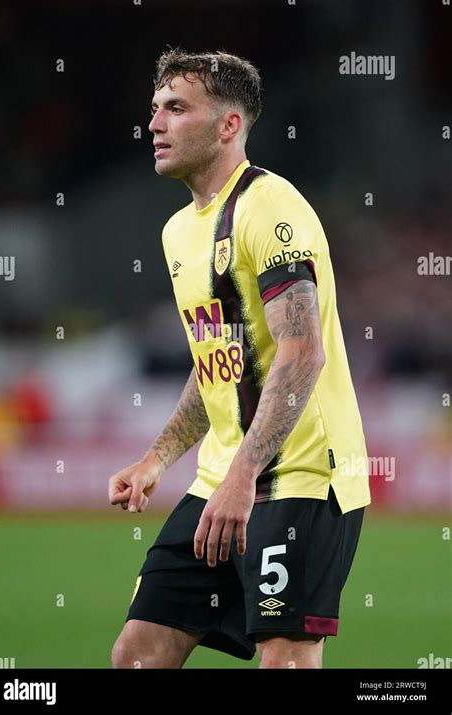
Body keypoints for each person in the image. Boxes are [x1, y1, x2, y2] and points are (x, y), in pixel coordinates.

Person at [109, 48, 370, 669]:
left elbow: (302, 353)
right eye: (155, 109)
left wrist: (243, 475)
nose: (155, 124)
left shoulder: (269, 207)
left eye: (176, 108)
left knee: (283, 661)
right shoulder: (178, 232)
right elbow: (220, 367)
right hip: (222, 480)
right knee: (138, 653)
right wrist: (158, 456)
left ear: (228, 126)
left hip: (302, 477)